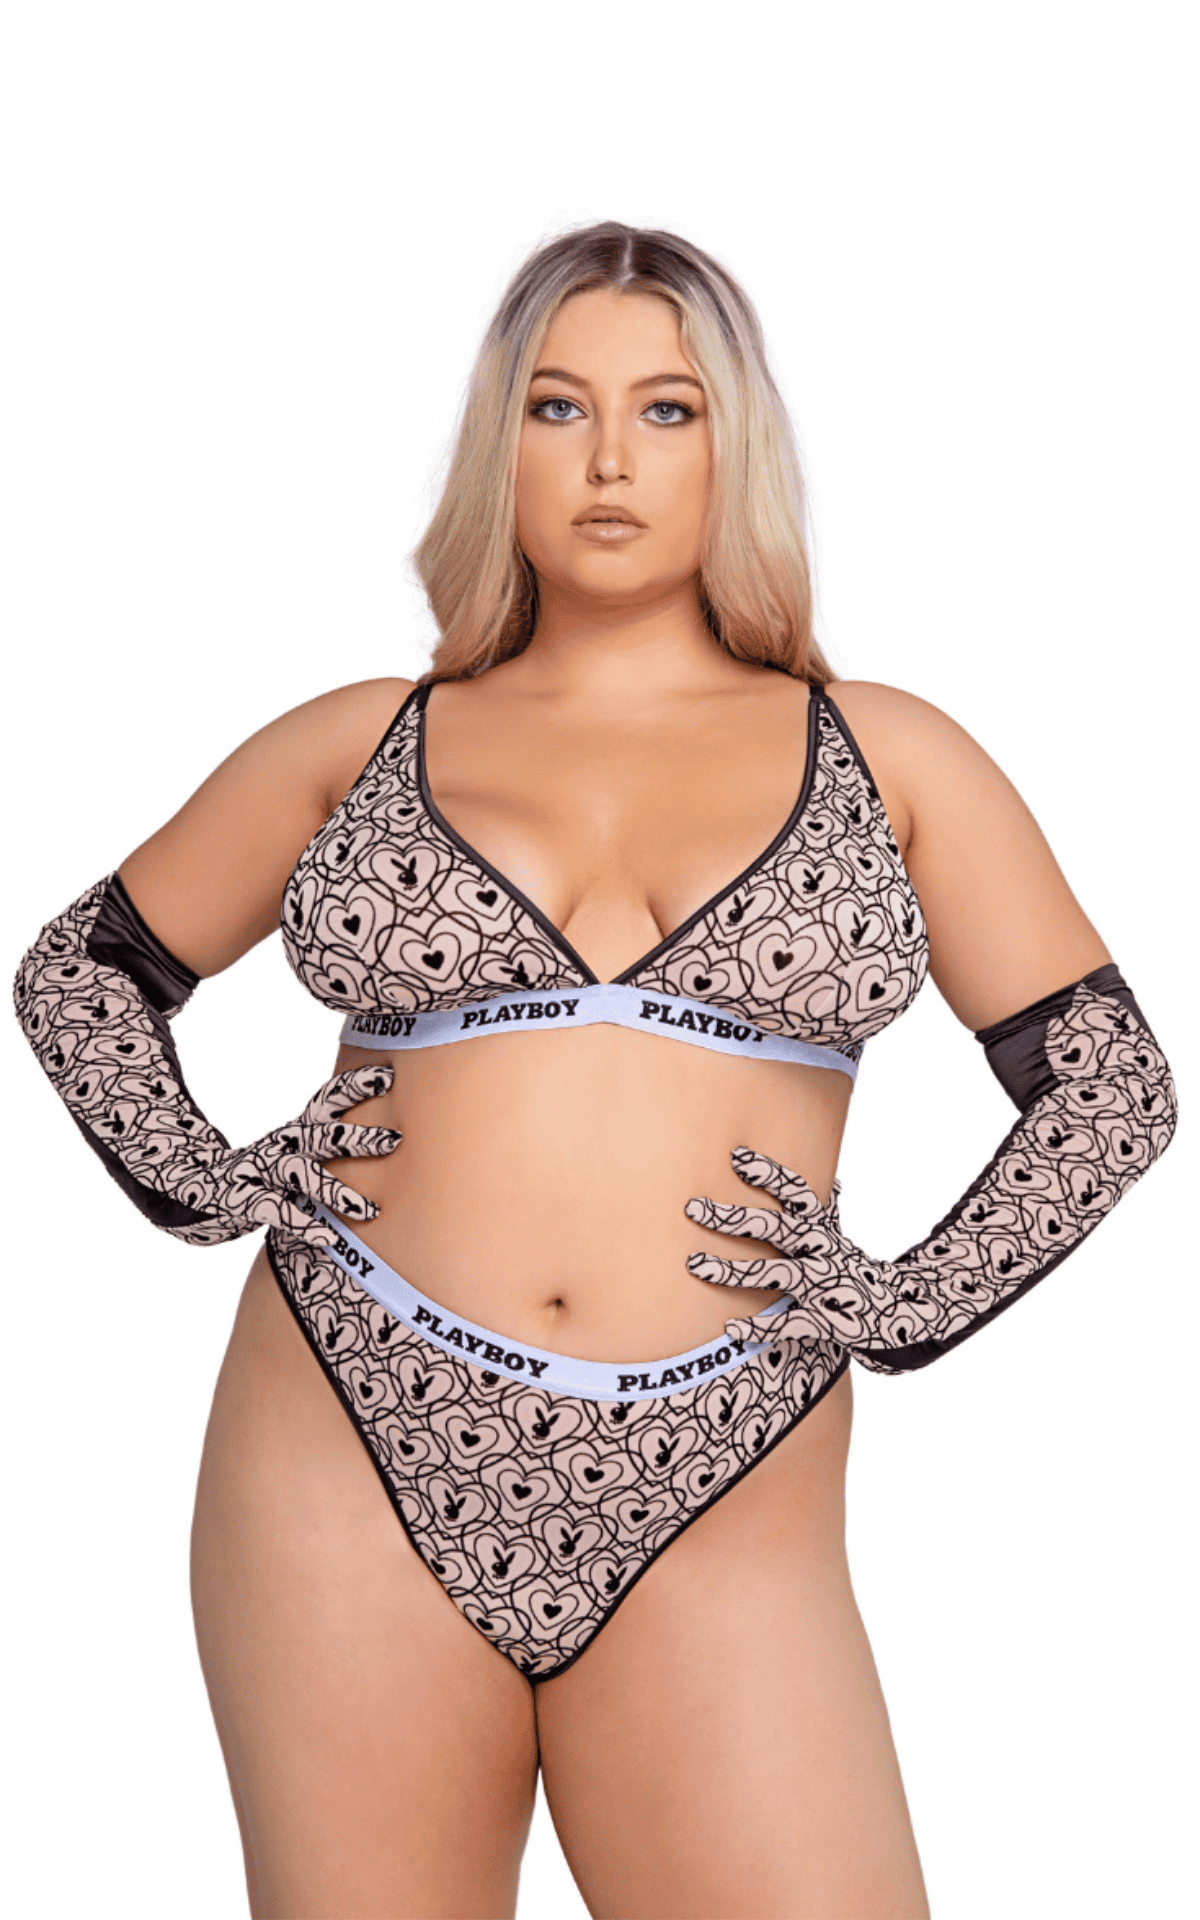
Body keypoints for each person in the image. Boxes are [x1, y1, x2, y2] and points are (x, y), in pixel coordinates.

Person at [14, 221, 1176, 1920]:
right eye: (558, 408)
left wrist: (908, 1303)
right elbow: (85, 972)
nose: (611, 458)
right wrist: (209, 1179)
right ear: (503, 448)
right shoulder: (365, 738)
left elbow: (1110, 1082)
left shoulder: (891, 755)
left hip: (728, 1468)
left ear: (736, 446)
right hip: (345, 1439)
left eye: (667, 410)